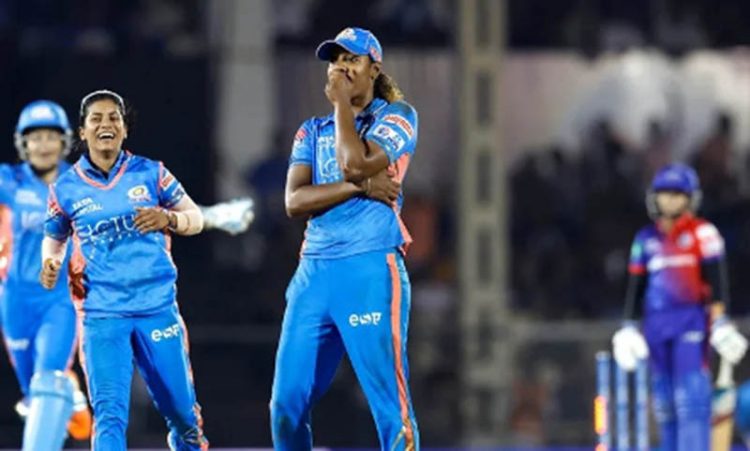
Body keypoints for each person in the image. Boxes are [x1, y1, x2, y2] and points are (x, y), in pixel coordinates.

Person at [271, 27, 419, 450]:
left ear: (374, 68)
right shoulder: (310, 131)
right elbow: (295, 201)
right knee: (285, 406)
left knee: (389, 407)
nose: (340, 68)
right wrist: (363, 188)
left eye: (351, 60)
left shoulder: (398, 116)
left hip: (370, 267)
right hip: (314, 273)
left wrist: (341, 105)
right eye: (335, 60)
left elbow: (355, 163)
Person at [40, 89, 208, 451]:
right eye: (96, 119)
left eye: (114, 117)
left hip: (157, 309)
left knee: (182, 415)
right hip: (101, 313)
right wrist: (51, 263)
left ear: (125, 129)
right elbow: (53, 239)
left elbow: (196, 219)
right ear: (82, 132)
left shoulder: (152, 173)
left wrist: (169, 218)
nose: (106, 124)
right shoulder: (65, 188)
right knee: (110, 415)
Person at [612, 163, 748, 451]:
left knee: (692, 400)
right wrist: (628, 327)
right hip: (656, 326)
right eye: (664, 193)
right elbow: (636, 287)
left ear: (690, 198)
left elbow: (717, 283)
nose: (670, 200)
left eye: (677, 194)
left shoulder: (703, 234)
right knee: (664, 402)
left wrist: (720, 321)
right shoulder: (645, 240)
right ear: (654, 197)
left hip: (692, 322)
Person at [0, 100, 92, 450]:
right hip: (14, 298)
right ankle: (72, 394)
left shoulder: (80, 183)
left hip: (60, 299)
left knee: (47, 382)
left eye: (50, 137)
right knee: (32, 391)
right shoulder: (9, 181)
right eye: (35, 137)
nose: (42, 145)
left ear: (64, 141)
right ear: (24, 143)